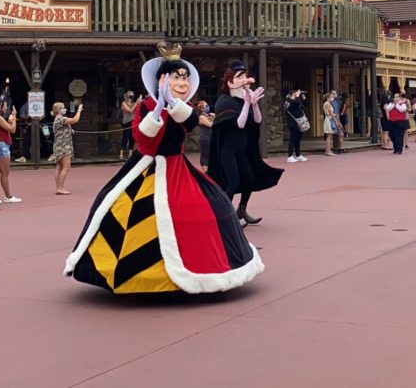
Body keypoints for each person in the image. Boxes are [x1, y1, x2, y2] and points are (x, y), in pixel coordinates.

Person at [65, 42, 264, 294]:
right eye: (176, 77)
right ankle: (129, 272)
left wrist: (172, 105)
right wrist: (158, 110)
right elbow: (143, 139)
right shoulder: (145, 106)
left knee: (214, 205)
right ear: (162, 80)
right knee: (116, 206)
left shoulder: (184, 108)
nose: (182, 82)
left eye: (184, 77)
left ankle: (207, 267)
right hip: (145, 165)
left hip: (177, 167)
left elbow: (192, 123)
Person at [208, 61, 283, 226]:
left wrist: (254, 104)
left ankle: (241, 210)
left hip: (241, 151)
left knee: (249, 180)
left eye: (244, 76)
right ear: (230, 82)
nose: (244, 80)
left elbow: (257, 121)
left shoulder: (243, 100)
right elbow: (239, 124)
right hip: (227, 151)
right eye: (239, 77)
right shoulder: (224, 101)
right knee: (233, 183)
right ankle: (224, 216)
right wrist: (247, 103)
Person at [0, 97, 22, 204]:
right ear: (0, 106)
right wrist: (14, 117)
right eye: (5, 106)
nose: (7, 108)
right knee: (5, 173)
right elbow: (12, 129)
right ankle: (8, 196)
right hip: (1, 145)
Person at [52, 101, 83, 195]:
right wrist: (79, 110)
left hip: (58, 145)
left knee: (59, 167)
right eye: (63, 108)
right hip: (64, 146)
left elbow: (63, 128)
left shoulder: (57, 119)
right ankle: (60, 188)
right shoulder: (61, 119)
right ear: (58, 110)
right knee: (66, 167)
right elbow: (75, 120)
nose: (64, 109)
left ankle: (58, 187)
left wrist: (70, 130)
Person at [284, 89, 308, 163]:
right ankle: (290, 156)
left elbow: (303, 106)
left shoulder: (296, 101)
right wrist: (297, 96)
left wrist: (303, 97)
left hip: (299, 122)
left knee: (298, 138)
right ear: (293, 94)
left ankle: (298, 155)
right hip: (293, 123)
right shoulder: (289, 101)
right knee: (293, 138)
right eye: (296, 93)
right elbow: (296, 104)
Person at [323, 90, 342, 156]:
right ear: (328, 97)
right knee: (329, 136)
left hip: (329, 119)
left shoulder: (327, 103)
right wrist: (336, 121)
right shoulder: (327, 104)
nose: (332, 98)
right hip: (329, 119)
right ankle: (328, 151)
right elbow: (331, 113)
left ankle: (327, 150)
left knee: (329, 136)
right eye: (331, 97)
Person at [119, 91, 137, 159]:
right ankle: (121, 153)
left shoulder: (134, 103)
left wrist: (138, 102)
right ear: (127, 96)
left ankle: (130, 154)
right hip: (126, 122)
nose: (131, 97)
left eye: (133, 96)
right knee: (125, 138)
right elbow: (130, 110)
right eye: (130, 96)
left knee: (132, 138)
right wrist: (136, 104)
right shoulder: (124, 103)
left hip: (133, 122)